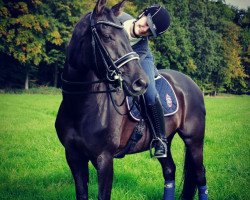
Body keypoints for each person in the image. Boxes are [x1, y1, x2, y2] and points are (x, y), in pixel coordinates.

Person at [117, 5, 171, 158]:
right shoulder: (118, 18)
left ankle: (160, 139)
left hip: (139, 60)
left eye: (149, 31)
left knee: (149, 93)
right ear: (142, 14)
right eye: (146, 23)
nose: (144, 29)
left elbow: (128, 67)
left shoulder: (142, 46)